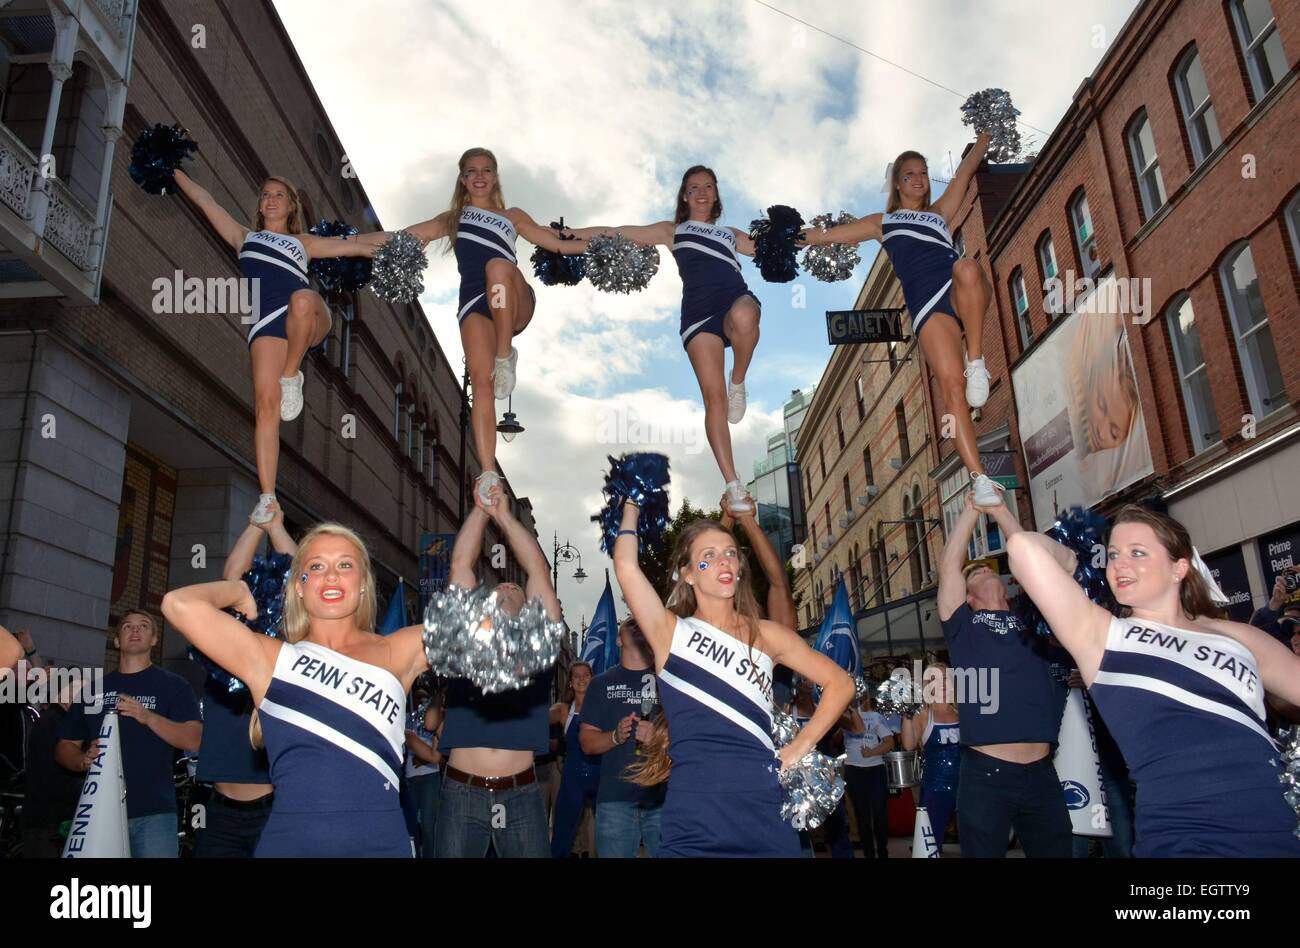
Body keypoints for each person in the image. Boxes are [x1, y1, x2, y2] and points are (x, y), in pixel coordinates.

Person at [1008, 504, 1300, 856]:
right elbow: (1023, 547)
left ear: (1179, 568)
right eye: (1114, 554)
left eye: (1138, 552)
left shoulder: (1235, 636)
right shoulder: (1103, 636)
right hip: (1186, 839)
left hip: (1280, 831)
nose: (1120, 564)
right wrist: (1077, 565)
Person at [162, 523, 430, 857]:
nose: (331, 576)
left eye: (345, 565)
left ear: (363, 584)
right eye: (316, 567)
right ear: (299, 586)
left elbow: (487, 630)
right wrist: (237, 590)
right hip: (291, 845)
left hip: (381, 845)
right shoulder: (271, 658)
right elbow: (178, 604)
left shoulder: (398, 649)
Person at [614, 498, 854, 857]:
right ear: (688, 573)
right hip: (694, 815)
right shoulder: (670, 633)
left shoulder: (769, 635)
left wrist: (801, 746)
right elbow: (626, 567)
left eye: (730, 553)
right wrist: (632, 505)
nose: (724, 561)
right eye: (709, 555)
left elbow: (842, 683)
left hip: (765, 810)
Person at [171, 169, 385, 523]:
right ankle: (268, 498)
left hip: (308, 319)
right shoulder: (244, 237)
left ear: (291, 207)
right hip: (267, 326)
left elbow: (360, 244)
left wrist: (414, 240)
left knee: (302, 297)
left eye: (279, 195)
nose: (270, 199)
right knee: (266, 408)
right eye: (266, 194)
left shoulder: (303, 243)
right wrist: (173, 167)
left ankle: (292, 375)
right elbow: (204, 199)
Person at [802, 135, 1003, 507]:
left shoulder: (940, 212)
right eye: (910, 174)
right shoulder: (883, 222)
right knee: (951, 392)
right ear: (896, 182)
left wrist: (985, 136)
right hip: (928, 308)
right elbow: (830, 236)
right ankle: (980, 480)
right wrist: (792, 238)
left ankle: (976, 361)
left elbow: (965, 170)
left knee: (968, 267)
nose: (919, 179)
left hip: (957, 289)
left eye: (924, 173)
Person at [563, 167, 764, 512]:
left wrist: (830, 236)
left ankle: (739, 379)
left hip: (733, 301)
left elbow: (777, 248)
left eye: (708, 187)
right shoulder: (671, 231)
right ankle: (732, 483)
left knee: (747, 316)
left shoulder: (731, 234)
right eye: (693, 188)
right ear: (684, 196)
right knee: (713, 401)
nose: (701, 193)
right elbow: (614, 233)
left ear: (716, 194)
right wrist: (569, 233)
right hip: (698, 316)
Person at [406, 148, 588, 506]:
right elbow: (403, 237)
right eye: (471, 171)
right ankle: (488, 470)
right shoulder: (453, 218)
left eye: (486, 170)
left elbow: (555, 243)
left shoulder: (513, 216)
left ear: (495, 177)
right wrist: (347, 245)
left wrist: (608, 247)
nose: (479, 176)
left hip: (514, 299)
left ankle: (506, 353)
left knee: (497, 268)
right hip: (474, 303)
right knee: (481, 381)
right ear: (462, 179)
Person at [937, 493, 1073, 857]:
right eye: (974, 572)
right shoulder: (963, 626)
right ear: (967, 598)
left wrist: (998, 509)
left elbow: (1043, 566)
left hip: (1042, 774)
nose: (982, 568)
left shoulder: (1034, 620)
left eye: (987, 567)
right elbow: (950, 567)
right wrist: (969, 509)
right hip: (986, 775)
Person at [435, 483, 562, 858]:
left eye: (516, 587)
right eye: (498, 587)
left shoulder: (539, 641)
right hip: (462, 791)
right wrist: (480, 509)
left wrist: (504, 516)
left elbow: (537, 568)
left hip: (521, 793)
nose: (507, 585)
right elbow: (460, 565)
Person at [193, 504, 295, 858]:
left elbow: (300, 580)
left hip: (273, 810)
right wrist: (256, 524)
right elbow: (230, 580)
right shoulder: (220, 651)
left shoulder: (284, 657)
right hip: (218, 811)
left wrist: (277, 528)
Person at [56, 612, 203, 858]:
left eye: (143, 626)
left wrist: (148, 717)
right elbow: (65, 746)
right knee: (101, 897)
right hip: (98, 811)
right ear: (116, 641)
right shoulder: (95, 689)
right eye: (127, 627)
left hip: (154, 812)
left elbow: (194, 739)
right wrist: (81, 760)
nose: (135, 631)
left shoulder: (173, 686)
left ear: (154, 639)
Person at [579, 619, 667, 857]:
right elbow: (586, 742)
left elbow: (692, 737)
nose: (638, 623)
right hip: (615, 800)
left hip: (664, 799)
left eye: (642, 621)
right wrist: (615, 737)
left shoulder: (670, 682)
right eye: (631, 622)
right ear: (618, 639)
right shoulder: (600, 684)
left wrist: (658, 739)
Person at [21, 648, 84, 858]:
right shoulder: (55, 725)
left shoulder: (54, 721)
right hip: (46, 822)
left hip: (44, 819)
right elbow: (53, 778)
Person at [900, 661, 960, 848]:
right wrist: (907, 713)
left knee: (975, 839)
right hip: (935, 787)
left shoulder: (963, 711)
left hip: (968, 785)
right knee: (930, 843)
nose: (940, 683)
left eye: (945, 678)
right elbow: (909, 745)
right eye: (934, 679)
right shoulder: (923, 715)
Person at [548, 662, 601, 857]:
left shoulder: (603, 707)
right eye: (576, 676)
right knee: (562, 833)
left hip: (600, 774)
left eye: (585, 675)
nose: (580, 679)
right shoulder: (563, 709)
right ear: (570, 682)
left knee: (607, 831)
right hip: (573, 777)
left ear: (592, 678)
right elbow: (541, 719)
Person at [841, 688, 895, 858]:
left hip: (875, 769)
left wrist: (872, 752)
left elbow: (889, 742)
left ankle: (883, 851)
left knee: (880, 814)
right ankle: (869, 854)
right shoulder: (843, 717)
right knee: (862, 815)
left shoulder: (875, 717)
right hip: (853, 770)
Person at [405, 679, 444, 858]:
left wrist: (425, 757)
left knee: (430, 827)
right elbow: (406, 743)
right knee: (410, 826)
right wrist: (421, 755)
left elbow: (439, 750)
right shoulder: (406, 715)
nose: (420, 693)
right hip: (410, 778)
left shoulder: (435, 713)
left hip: (431, 776)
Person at [1250, 570, 1300, 646]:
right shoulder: (1284, 652)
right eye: (1291, 634)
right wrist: (1275, 602)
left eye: (1299, 633)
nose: (1295, 638)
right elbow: (1255, 633)